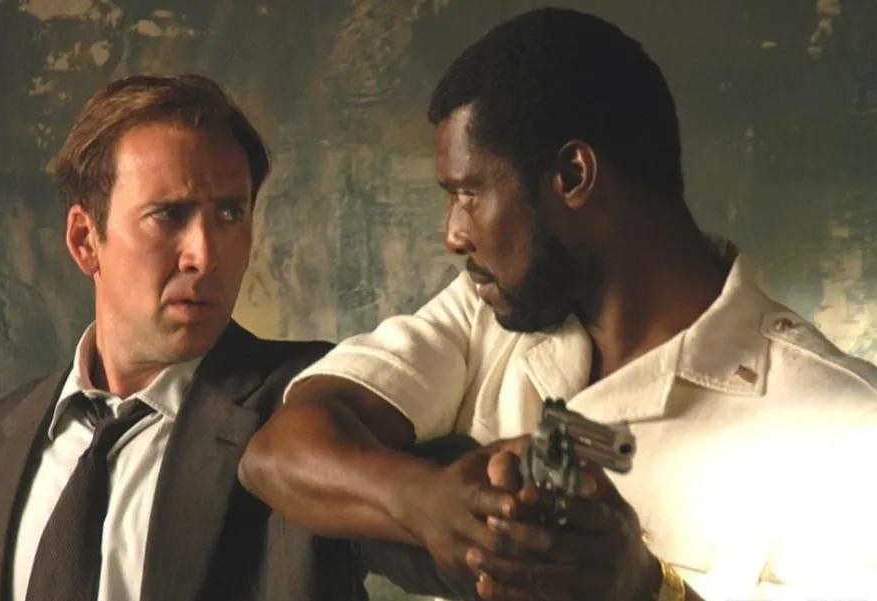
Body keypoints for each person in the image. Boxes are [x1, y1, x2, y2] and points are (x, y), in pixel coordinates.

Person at [239, 9, 877, 601]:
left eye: (468, 193)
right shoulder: (489, 311)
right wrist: (431, 503)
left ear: (573, 175)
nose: (453, 234)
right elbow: (276, 454)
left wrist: (648, 587)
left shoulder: (848, 433)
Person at [0, 74, 461, 601]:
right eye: (169, 215)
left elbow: (465, 536)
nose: (204, 256)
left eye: (230, 213)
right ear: (85, 240)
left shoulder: (312, 405)